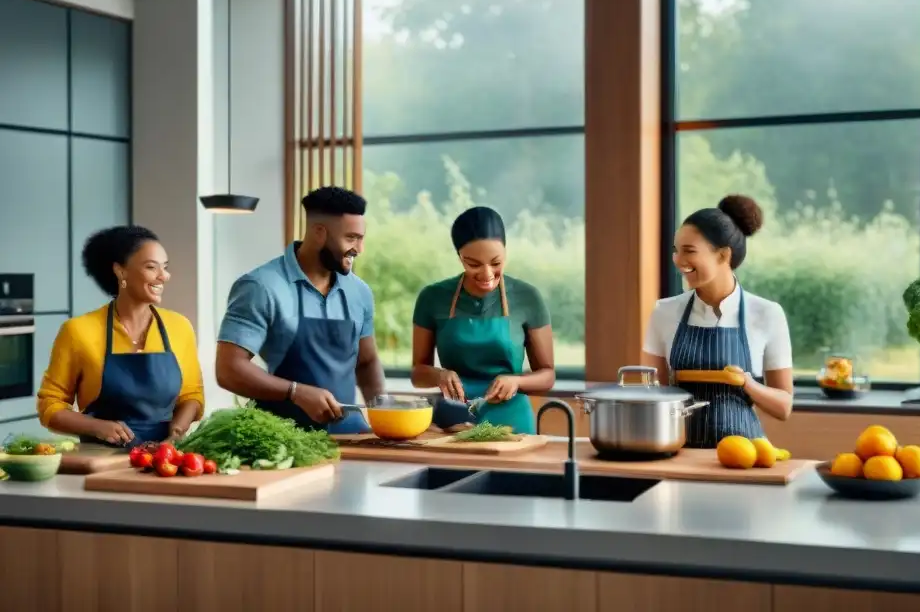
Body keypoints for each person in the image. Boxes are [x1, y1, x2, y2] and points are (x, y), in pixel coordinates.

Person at [216, 186, 384, 434]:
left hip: (350, 435)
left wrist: (384, 415)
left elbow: (367, 362)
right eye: (351, 238)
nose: (359, 249)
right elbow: (228, 369)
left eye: (361, 238)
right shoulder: (261, 286)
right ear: (319, 233)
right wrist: (295, 392)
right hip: (282, 437)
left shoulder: (359, 292)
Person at [641, 195, 793, 448]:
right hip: (678, 453)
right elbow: (649, 393)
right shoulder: (664, 312)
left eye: (689, 251)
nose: (678, 260)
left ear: (723, 255)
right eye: (675, 250)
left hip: (745, 457)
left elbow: (784, 407)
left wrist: (748, 383)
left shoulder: (767, 314)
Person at [37, 226, 205, 446]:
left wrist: (176, 432)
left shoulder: (179, 327)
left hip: (164, 460)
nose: (164, 276)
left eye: (165, 267)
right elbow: (50, 405)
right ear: (120, 271)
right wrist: (96, 426)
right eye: (151, 267)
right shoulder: (78, 331)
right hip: (102, 461)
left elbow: (192, 395)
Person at [410, 206, 555, 434]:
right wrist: (439, 375)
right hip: (454, 421)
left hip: (512, 422)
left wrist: (516, 381)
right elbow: (418, 373)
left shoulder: (528, 298)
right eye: (474, 264)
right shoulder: (432, 298)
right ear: (459, 256)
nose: (487, 274)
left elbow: (547, 375)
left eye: (496, 263)